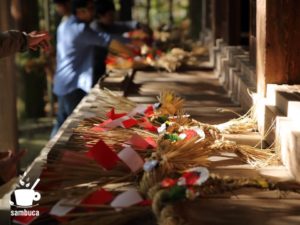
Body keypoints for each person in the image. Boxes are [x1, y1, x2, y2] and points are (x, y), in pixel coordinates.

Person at [51, 0, 133, 137]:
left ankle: (49, 156)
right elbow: (107, 40)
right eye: (90, 8)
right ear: (80, 12)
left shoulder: (66, 24)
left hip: (63, 82)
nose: (94, 11)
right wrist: (134, 52)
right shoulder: (81, 29)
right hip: (73, 85)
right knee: (74, 129)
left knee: (61, 124)